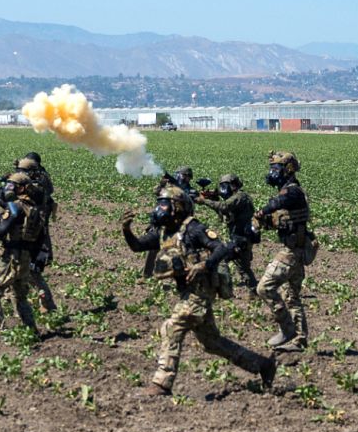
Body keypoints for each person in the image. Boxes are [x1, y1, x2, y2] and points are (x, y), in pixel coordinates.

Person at [124, 186, 276, 396]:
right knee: (212, 343)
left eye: (164, 204)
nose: (160, 209)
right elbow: (138, 246)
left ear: (177, 207)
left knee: (172, 327)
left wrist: (204, 265)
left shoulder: (193, 228)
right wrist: (127, 230)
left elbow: (220, 247)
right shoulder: (164, 232)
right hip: (188, 292)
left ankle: (162, 383)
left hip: (201, 291)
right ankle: (262, 365)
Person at [255, 151, 315, 351]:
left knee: (264, 288)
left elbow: (277, 203)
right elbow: (282, 218)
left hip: (291, 252)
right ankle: (299, 340)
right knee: (292, 297)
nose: (272, 172)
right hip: (296, 250)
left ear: (288, 169)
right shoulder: (289, 192)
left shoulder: (292, 191)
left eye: (276, 168)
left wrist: (262, 212)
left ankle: (287, 329)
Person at [0, 171, 48, 333]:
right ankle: (31, 331)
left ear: (22, 188)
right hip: (25, 258)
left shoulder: (16, 207)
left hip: (11, 257)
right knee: (19, 297)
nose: (9, 188)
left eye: (13, 186)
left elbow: (3, 228)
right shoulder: (35, 209)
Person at [197, 173, 259, 292]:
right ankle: (254, 292)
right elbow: (223, 213)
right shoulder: (235, 198)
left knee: (220, 258)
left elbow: (224, 206)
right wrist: (213, 199)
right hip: (240, 238)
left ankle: (224, 288)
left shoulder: (240, 196)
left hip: (241, 239)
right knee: (244, 268)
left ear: (233, 185)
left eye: (224, 186)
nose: (222, 190)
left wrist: (205, 201)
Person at [15, 154, 59, 313]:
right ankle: (43, 303)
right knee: (27, 271)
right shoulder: (41, 183)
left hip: (33, 237)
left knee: (31, 271)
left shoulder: (37, 188)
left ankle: (47, 303)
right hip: (34, 235)